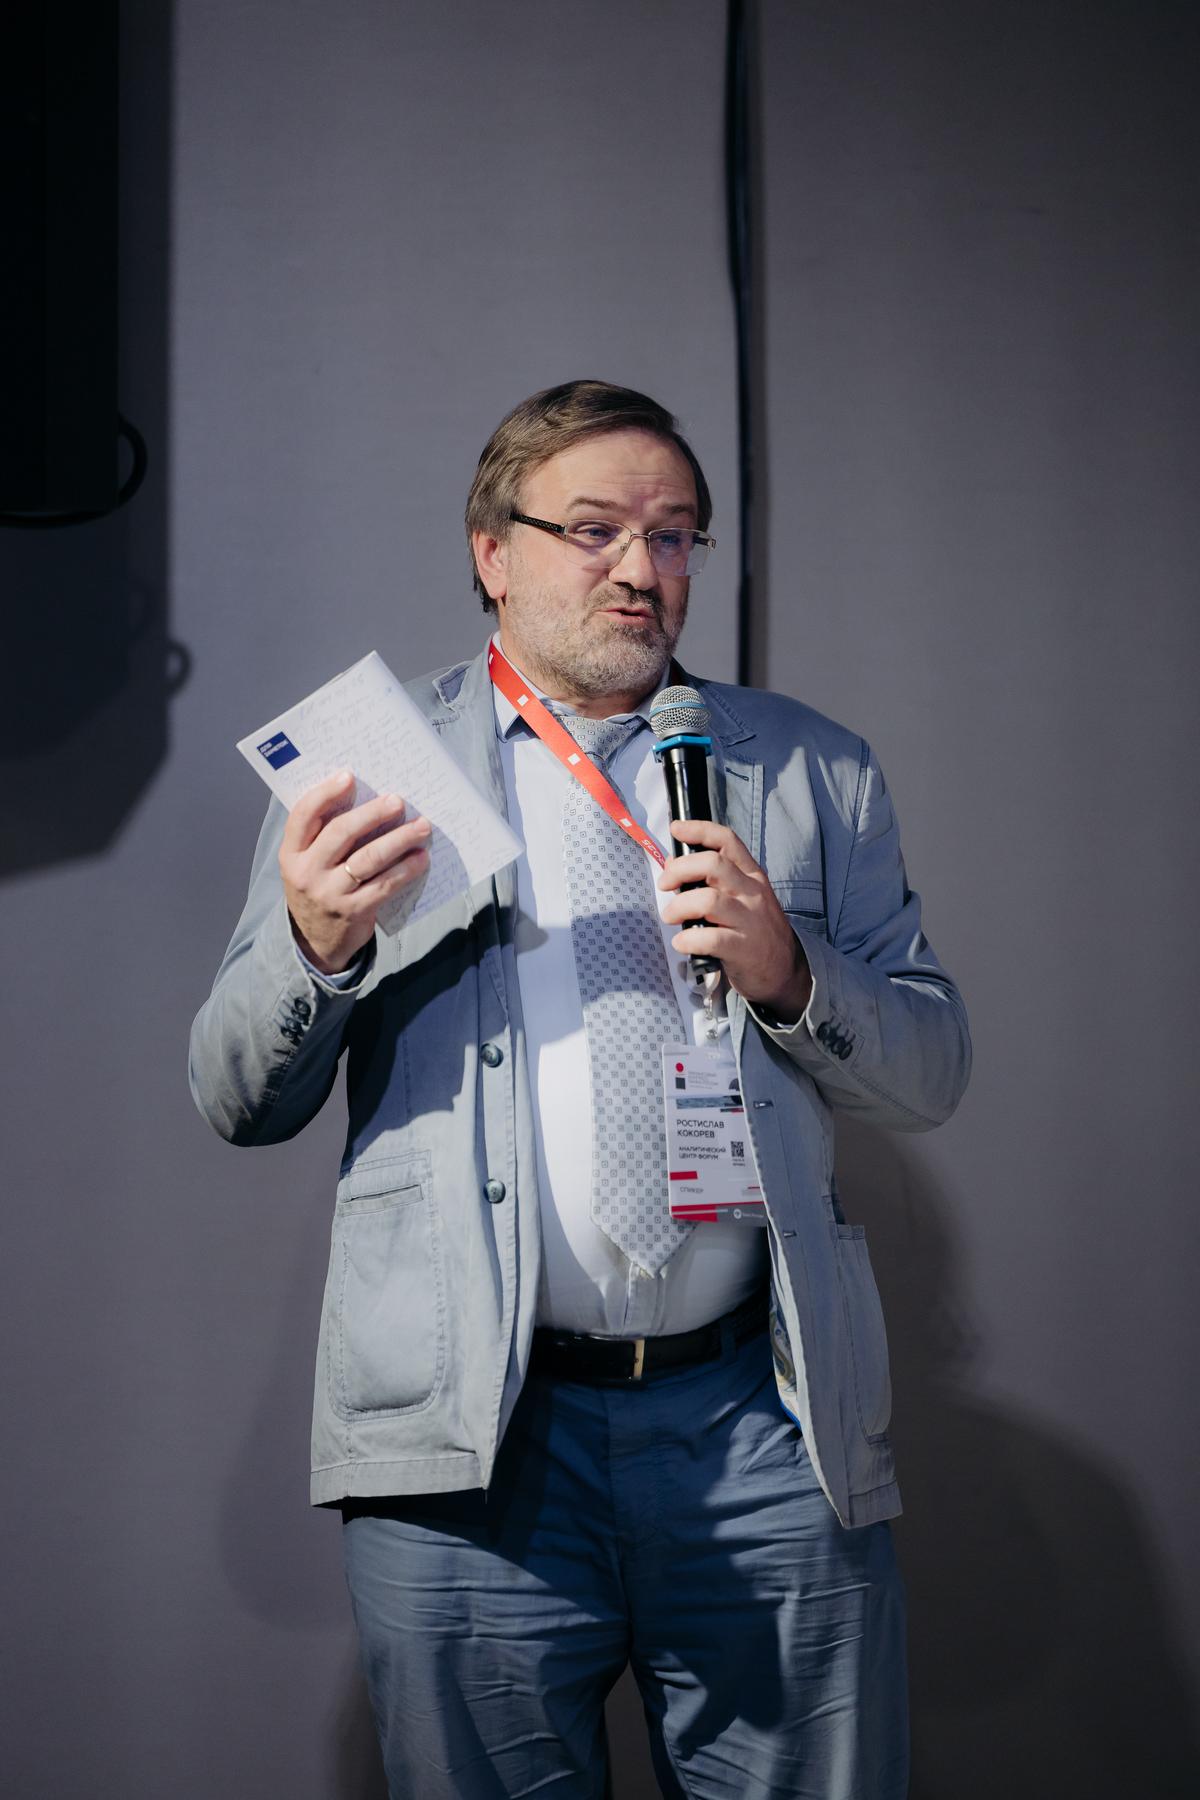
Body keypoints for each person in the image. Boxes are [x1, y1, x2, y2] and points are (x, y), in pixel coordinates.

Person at [190, 379, 970, 1799]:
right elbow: (237, 1095)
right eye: (595, 529)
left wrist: (793, 972)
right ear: (493, 551)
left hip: (756, 1421)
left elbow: (930, 1073)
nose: (640, 569)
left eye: (674, 536)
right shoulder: (373, 773)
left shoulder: (810, 769)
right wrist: (315, 944)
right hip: (474, 1446)